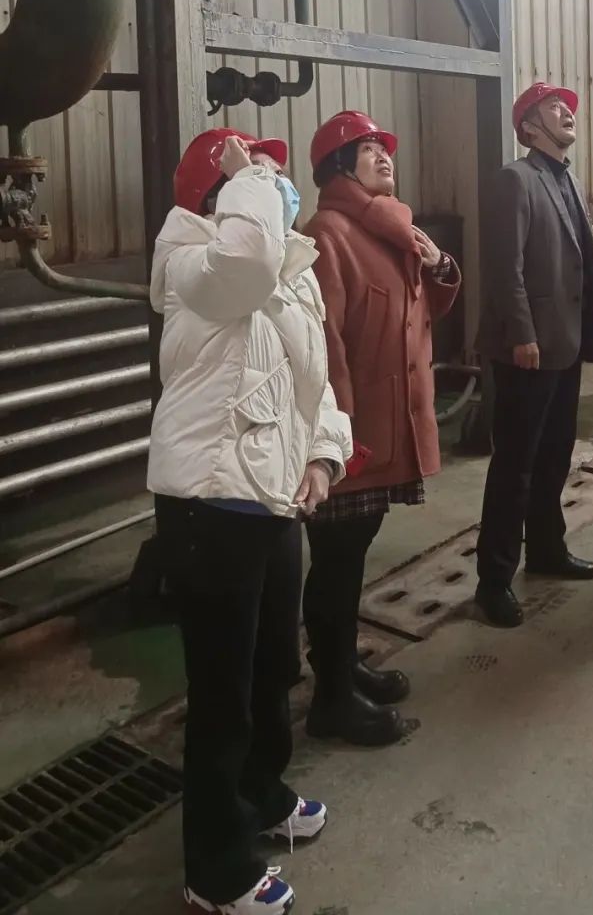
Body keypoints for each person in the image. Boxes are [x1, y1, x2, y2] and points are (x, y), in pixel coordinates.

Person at [149, 128, 352, 915]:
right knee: (222, 695)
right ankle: (216, 870)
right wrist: (251, 183)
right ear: (220, 193)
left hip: (271, 499)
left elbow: (313, 384)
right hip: (210, 505)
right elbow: (246, 260)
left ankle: (260, 794)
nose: (277, 181)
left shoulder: (287, 273)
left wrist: (323, 457)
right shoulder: (194, 263)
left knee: (272, 669)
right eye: (259, 173)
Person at [302, 111, 461, 744]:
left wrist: (440, 264)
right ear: (338, 167)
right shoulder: (328, 233)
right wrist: (338, 441)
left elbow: (420, 310)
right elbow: (324, 346)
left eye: (382, 146)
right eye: (366, 148)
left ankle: (343, 666)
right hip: (354, 434)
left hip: (390, 423)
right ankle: (331, 698)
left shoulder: (394, 228)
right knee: (335, 563)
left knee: (352, 554)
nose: (382, 154)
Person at [474, 81, 593, 628]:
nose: (566, 112)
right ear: (529, 127)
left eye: (567, 107)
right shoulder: (516, 179)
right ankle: (493, 581)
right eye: (554, 107)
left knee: (554, 455)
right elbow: (504, 268)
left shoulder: (566, 178)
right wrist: (522, 334)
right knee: (516, 466)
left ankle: (548, 550)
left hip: (565, 342)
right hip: (528, 347)